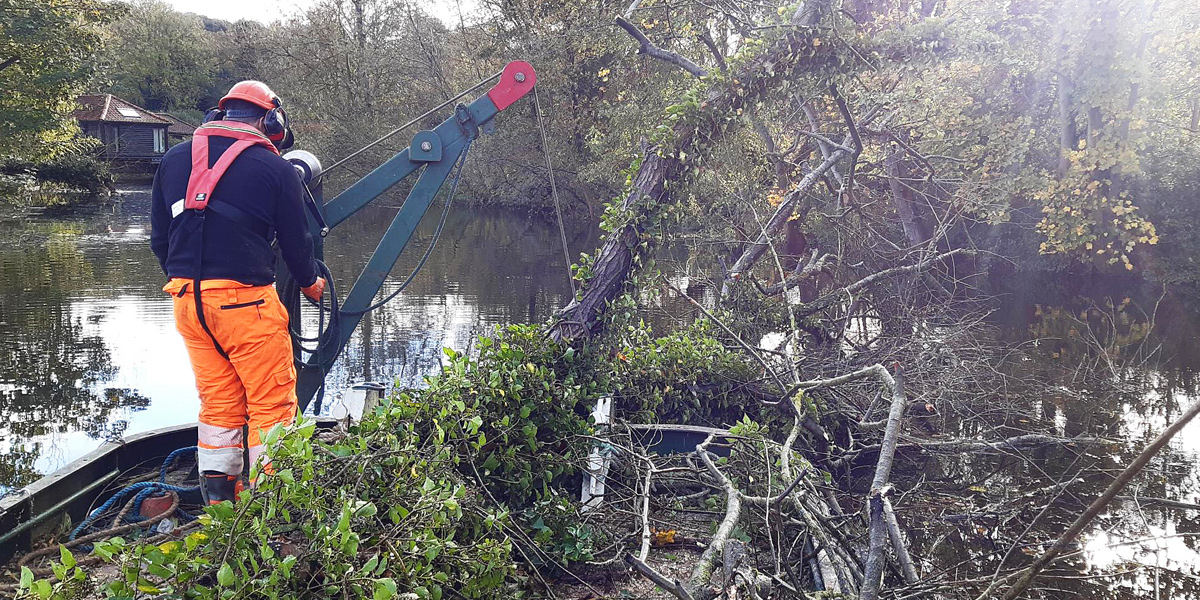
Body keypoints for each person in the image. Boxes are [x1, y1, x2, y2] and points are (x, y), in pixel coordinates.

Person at [150, 80, 326, 504]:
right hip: (245, 304)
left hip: (188, 303)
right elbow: (295, 242)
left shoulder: (173, 159)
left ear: (220, 114)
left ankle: (221, 508)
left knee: (219, 404)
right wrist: (309, 284)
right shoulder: (277, 168)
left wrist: (196, 284)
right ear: (271, 120)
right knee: (273, 408)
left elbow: (159, 239)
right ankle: (272, 512)